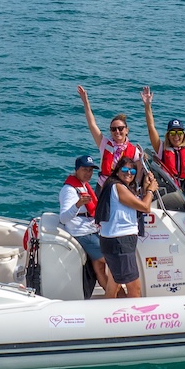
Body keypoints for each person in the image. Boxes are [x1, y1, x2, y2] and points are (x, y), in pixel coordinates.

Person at [96, 157, 159, 298]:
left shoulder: (117, 187)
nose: (128, 173)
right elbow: (145, 207)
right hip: (120, 243)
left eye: (132, 170)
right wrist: (150, 191)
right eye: (124, 169)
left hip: (113, 241)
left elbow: (136, 203)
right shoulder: (118, 187)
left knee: (113, 286)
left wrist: (145, 185)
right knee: (134, 289)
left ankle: (107, 316)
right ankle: (135, 318)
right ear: (117, 171)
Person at [58, 155, 109, 297]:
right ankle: (119, 296)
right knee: (113, 260)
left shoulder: (82, 185)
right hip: (83, 234)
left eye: (91, 170)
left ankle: (114, 297)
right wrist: (78, 205)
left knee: (99, 266)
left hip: (90, 229)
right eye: (85, 169)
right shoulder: (69, 190)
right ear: (76, 170)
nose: (88, 173)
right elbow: (63, 217)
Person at [77, 85, 142, 192]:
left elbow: (138, 172)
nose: (117, 131)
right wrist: (85, 102)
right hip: (103, 187)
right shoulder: (104, 143)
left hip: (123, 189)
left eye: (120, 128)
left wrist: (135, 188)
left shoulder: (134, 151)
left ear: (127, 130)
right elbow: (92, 124)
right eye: (113, 129)